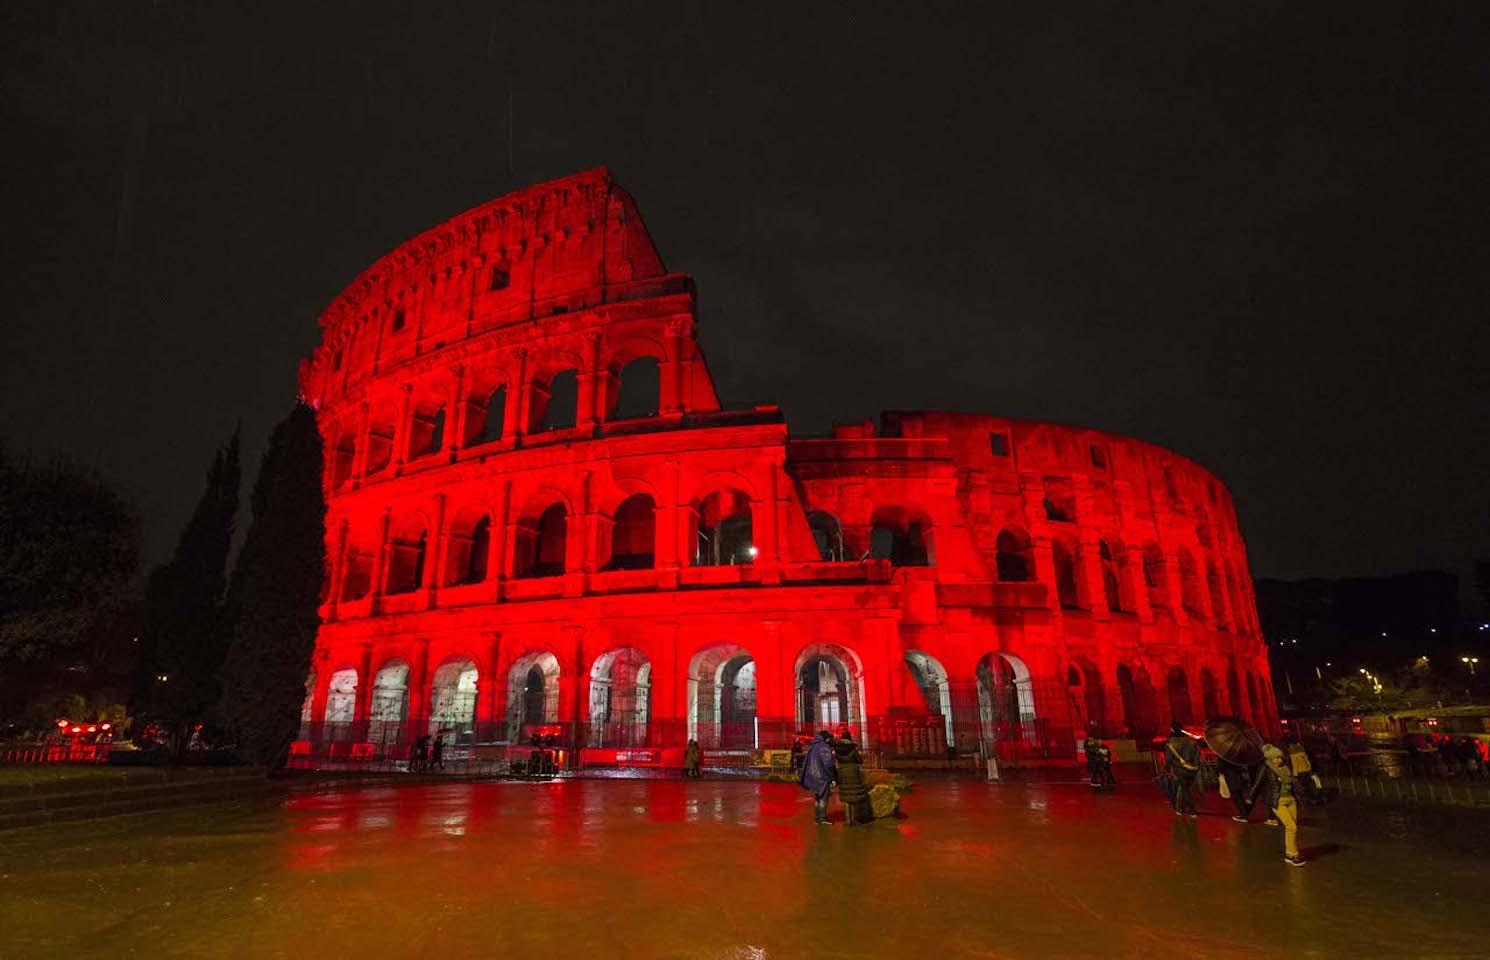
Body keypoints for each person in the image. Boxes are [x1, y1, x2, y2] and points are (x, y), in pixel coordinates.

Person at [1249, 744, 1305, 866]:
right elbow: (1257, 783)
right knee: (1291, 827)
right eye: (1275, 758)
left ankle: (1290, 853)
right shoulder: (1265, 768)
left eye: (1280, 757)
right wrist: (1250, 798)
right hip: (1278, 800)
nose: (1279, 760)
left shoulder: (1285, 767)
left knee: (1292, 828)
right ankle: (1293, 854)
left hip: (1291, 799)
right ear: (1270, 759)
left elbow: (1292, 782)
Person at [833, 727, 871, 826]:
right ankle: (853, 819)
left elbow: (836, 759)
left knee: (846, 797)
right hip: (853, 772)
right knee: (853, 796)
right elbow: (859, 760)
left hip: (842, 772)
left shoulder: (838, 749)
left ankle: (847, 819)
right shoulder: (852, 749)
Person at [799, 730, 837, 825]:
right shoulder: (824, 747)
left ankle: (817, 817)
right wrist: (833, 777)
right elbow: (828, 764)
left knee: (817, 798)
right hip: (822, 776)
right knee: (823, 798)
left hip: (813, 776)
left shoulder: (813, 746)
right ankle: (822, 818)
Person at [1165, 722, 1201, 818]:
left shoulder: (1171, 742)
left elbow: (1169, 758)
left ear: (1172, 730)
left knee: (1184, 789)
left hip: (1179, 769)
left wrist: (1167, 769)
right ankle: (1180, 808)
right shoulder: (1192, 741)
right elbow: (1197, 755)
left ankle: (1191, 810)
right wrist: (1196, 766)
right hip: (1191, 769)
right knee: (1184, 788)